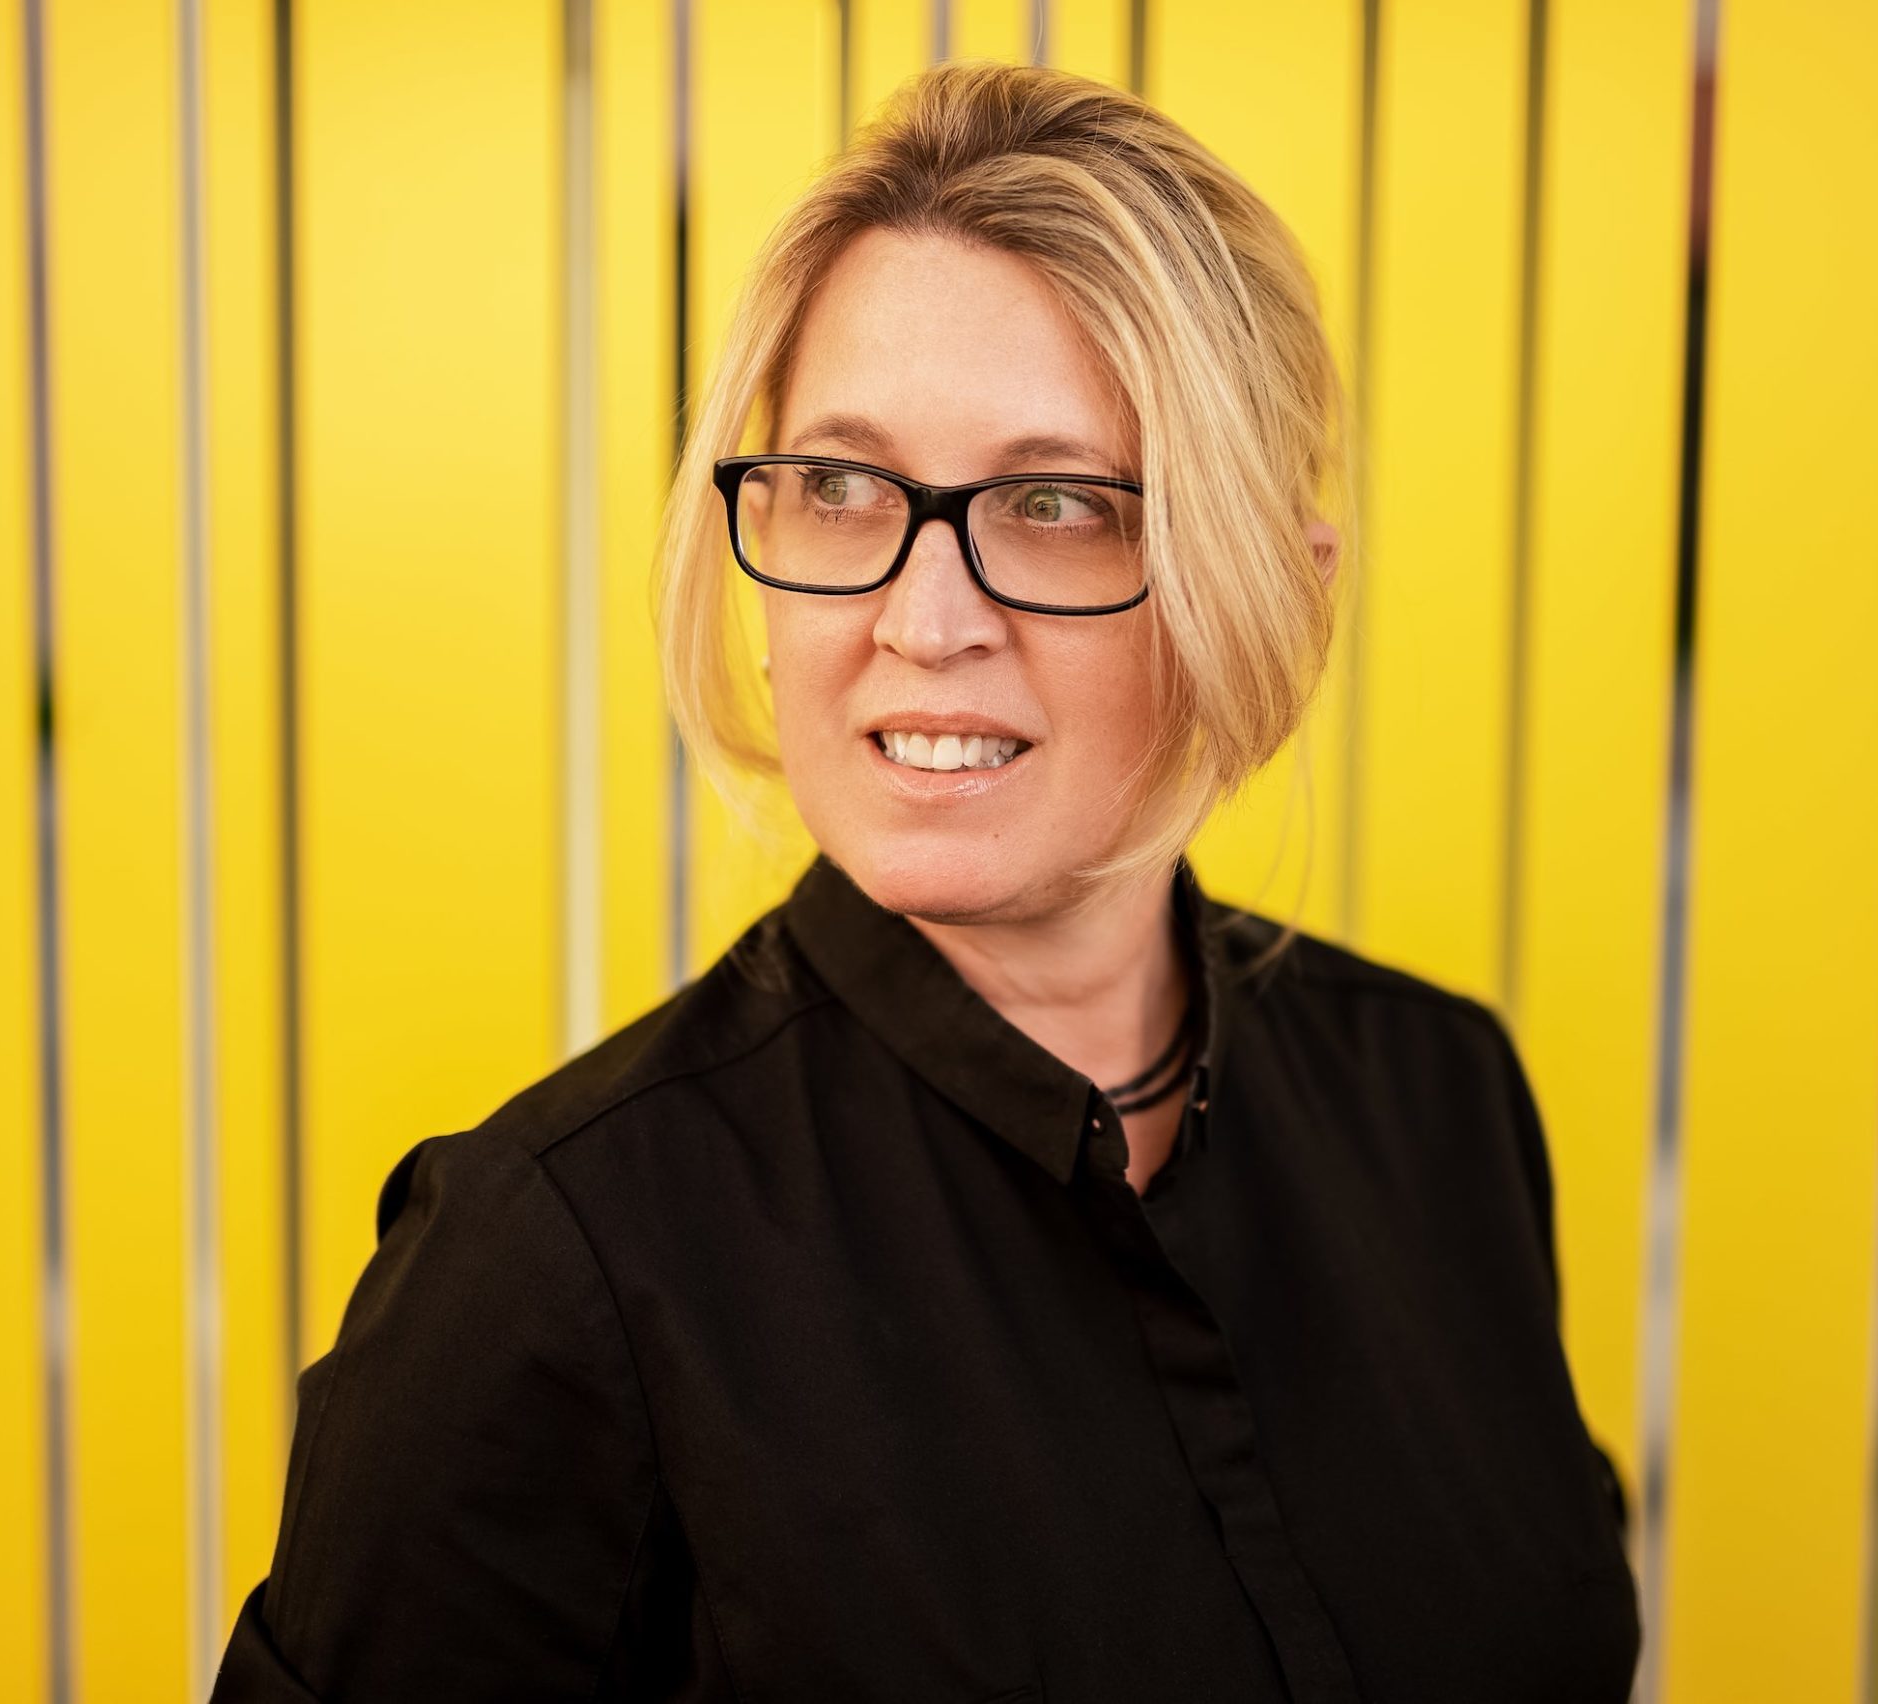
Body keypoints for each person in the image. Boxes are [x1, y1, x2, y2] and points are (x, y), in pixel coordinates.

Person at [212, 58, 1638, 1703]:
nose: (925, 616)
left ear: (1279, 591)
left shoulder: (1439, 1098)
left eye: (1054, 504)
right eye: (839, 486)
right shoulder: (549, 1268)